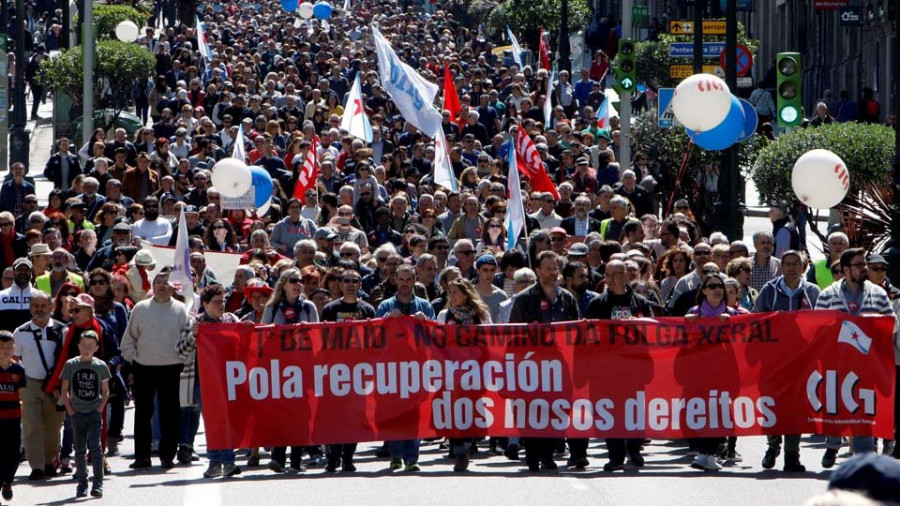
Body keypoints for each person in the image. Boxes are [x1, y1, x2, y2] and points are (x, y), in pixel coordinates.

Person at [816, 248, 896, 468]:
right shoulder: (828, 295)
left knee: (864, 408)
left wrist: (875, 320)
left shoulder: (877, 294)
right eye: (859, 265)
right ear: (845, 269)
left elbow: (893, 324)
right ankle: (833, 444)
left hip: (868, 364)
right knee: (836, 406)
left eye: (864, 265)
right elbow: (817, 327)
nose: (864, 269)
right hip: (837, 364)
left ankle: (863, 459)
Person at [508, 251, 579, 472]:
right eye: (548, 269)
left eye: (556, 268)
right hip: (532, 366)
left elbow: (575, 331)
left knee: (555, 408)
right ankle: (532, 453)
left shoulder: (567, 298)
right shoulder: (524, 299)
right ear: (538, 271)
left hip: (559, 365)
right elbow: (513, 334)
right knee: (531, 410)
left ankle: (548, 453)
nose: (553, 273)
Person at [753, 250, 820, 472]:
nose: (791, 268)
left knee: (795, 408)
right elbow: (755, 321)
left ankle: (792, 456)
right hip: (772, 362)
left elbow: (822, 324)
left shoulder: (812, 292)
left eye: (796, 264)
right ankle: (773, 446)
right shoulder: (769, 290)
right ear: (780, 267)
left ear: (804, 267)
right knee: (771, 405)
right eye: (787, 264)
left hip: (801, 362)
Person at [585, 260, 654, 471]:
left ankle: (634, 449)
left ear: (626, 275)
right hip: (607, 369)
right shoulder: (597, 304)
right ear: (605, 277)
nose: (614, 278)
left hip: (634, 368)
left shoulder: (640, 302)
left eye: (618, 273)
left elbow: (653, 332)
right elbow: (588, 336)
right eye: (609, 274)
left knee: (634, 410)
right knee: (611, 411)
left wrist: (639, 325)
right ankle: (615, 455)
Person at [120, 267, 189, 470]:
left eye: (166, 282)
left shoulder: (181, 309)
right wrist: (135, 360)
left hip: (172, 368)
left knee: (171, 414)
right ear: (152, 284)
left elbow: (188, 341)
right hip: (144, 368)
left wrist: (181, 360)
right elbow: (128, 340)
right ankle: (142, 456)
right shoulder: (140, 309)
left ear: (173, 286)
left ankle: (168, 456)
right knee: (143, 413)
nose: (162, 286)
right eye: (158, 281)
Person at [176, 284, 242, 478]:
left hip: (228, 379)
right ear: (205, 304)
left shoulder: (230, 319)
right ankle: (215, 462)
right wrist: (194, 335)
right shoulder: (194, 323)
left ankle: (228, 462)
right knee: (212, 421)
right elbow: (180, 351)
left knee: (227, 420)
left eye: (223, 301)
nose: (221, 305)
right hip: (203, 381)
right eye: (216, 302)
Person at [375, 265, 434, 472]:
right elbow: (375, 336)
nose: (405, 283)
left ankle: (411, 457)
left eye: (409, 279)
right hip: (391, 367)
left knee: (413, 413)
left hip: (416, 367)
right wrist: (387, 320)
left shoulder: (425, 306)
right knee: (393, 412)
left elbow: (435, 336)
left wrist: (425, 323)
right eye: (401, 279)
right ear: (395, 280)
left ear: (415, 280)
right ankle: (395, 455)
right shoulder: (384, 306)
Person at [261, 268, 319, 473]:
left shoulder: (309, 307)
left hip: (303, 368)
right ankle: (278, 457)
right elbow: (261, 336)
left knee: (301, 413)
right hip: (280, 369)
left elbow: (318, 336)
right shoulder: (273, 307)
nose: (298, 284)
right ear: (283, 284)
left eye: (300, 281)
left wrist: (307, 331)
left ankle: (295, 460)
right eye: (293, 280)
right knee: (281, 413)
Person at [319, 270, 375, 473]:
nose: (351, 284)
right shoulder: (329, 309)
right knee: (335, 416)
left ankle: (348, 458)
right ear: (340, 284)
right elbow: (322, 341)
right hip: (335, 371)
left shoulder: (368, 309)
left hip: (359, 372)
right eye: (346, 281)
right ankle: (333, 457)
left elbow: (374, 341)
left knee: (355, 415)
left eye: (355, 281)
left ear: (360, 284)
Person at [684, 272, 741, 472]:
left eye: (720, 286)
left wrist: (733, 324)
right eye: (713, 286)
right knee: (706, 411)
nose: (717, 289)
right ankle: (705, 453)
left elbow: (747, 337)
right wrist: (688, 325)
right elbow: (684, 344)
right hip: (701, 372)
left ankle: (709, 453)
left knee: (720, 411)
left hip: (726, 371)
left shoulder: (733, 314)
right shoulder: (694, 313)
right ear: (704, 291)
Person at [436, 277, 492, 472]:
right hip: (452, 373)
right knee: (454, 412)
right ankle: (459, 452)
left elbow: (491, 340)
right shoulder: (444, 315)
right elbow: (437, 342)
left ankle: (468, 445)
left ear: (466, 294)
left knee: (470, 410)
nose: (452, 296)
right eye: (449, 292)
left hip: (475, 371)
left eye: (455, 292)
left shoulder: (481, 315)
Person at [11, 292, 66, 480]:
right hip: (30, 383)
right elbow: (15, 359)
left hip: (54, 385)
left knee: (53, 425)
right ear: (30, 308)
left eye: (44, 306)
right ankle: (37, 467)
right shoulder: (20, 332)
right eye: (36, 306)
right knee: (31, 425)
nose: (40, 309)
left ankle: (50, 461)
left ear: (51, 307)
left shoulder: (62, 330)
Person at [60, 330, 111, 498]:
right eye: (84, 345)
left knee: (95, 448)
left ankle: (98, 484)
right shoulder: (71, 365)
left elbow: (105, 391)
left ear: (96, 347)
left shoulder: (100, 366)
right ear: (79, 346)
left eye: (91, 346)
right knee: (79, 449)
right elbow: (64, 390)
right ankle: (82, 483)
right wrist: (71, 411)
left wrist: (99, 408)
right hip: (77, 413)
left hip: (94, 412)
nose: (87, 349)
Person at [0, 331, 25, 500]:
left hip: (13, 418)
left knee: (13, 454)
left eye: (9, 347)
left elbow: (22, 395)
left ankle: (8, 481)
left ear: (14, 348)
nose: (6, 351)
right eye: (2, 348)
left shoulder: (19, 369)